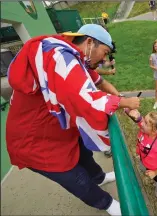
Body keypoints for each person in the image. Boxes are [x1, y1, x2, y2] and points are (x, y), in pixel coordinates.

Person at [6, 24, 140, 215]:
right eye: (105, 52)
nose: (104, 60)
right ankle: (108, 204)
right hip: (34, 141)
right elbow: (83, 97)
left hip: (56, 129)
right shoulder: (59, 56)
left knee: (83, 153)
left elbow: (99, 82)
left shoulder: (73, 56)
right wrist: (125, 102)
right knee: (76, 179)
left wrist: (120, 98)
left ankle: (99, 177)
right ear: (90, 42)